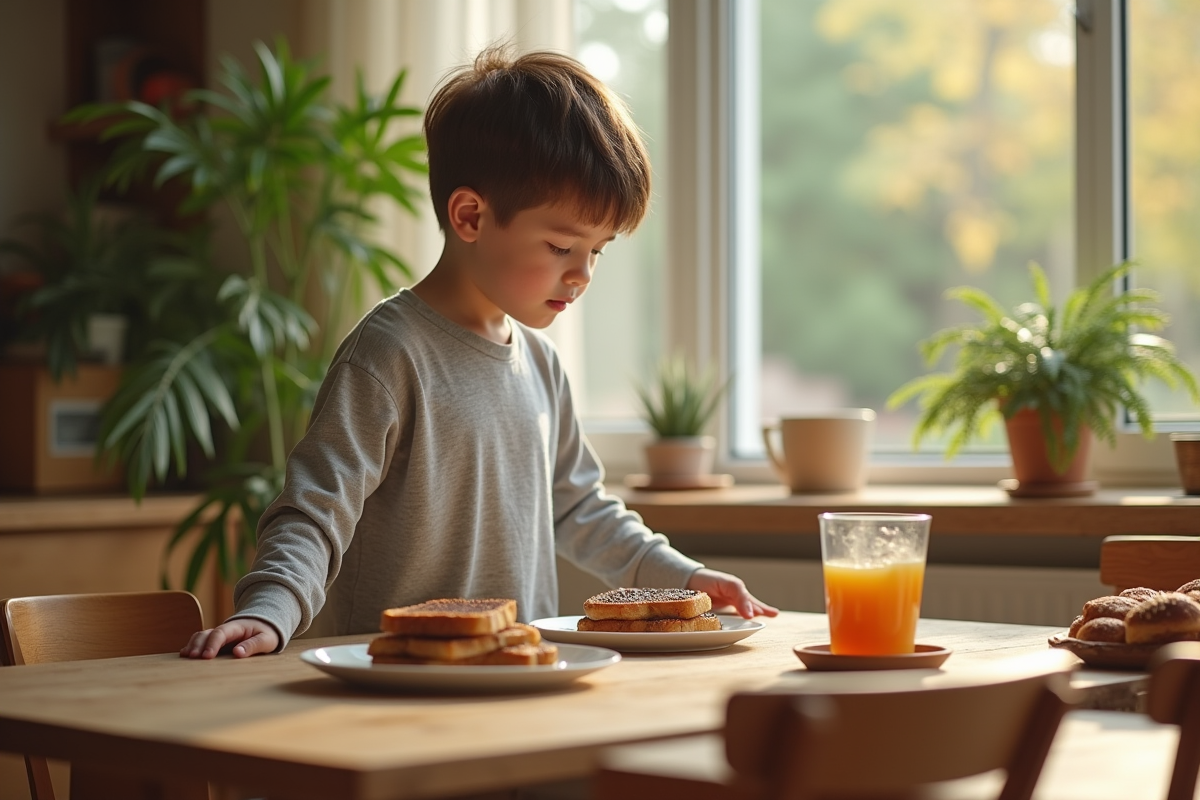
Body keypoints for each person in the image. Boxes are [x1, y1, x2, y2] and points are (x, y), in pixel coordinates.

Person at [182, 46, 777, 660]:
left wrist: (681, 576)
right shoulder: (388, 355)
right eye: (560, 246)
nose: (583, 275)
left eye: (598, 252)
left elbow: (578, 508)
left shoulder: (542, 366)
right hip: (397, 678)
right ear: (470, 215)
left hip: (517, 671)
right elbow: (315, 509)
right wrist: (271, 608)